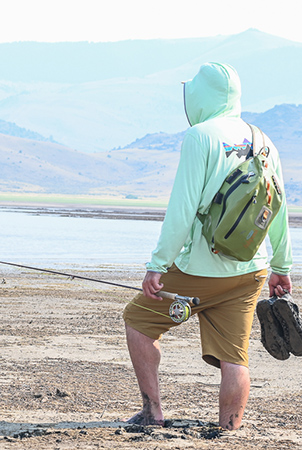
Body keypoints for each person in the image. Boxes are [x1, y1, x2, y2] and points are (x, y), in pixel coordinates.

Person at [122, 62, 293, 430]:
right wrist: (282, 267)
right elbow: (277, 209)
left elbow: (182, 211)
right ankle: (229, 427)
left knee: (138, 321)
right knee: (235, 356)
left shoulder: (200, 137)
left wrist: (158, 265)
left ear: (200, 96)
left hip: (200, 269)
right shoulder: (265, 141)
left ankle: (152, 412)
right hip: (251, 270)